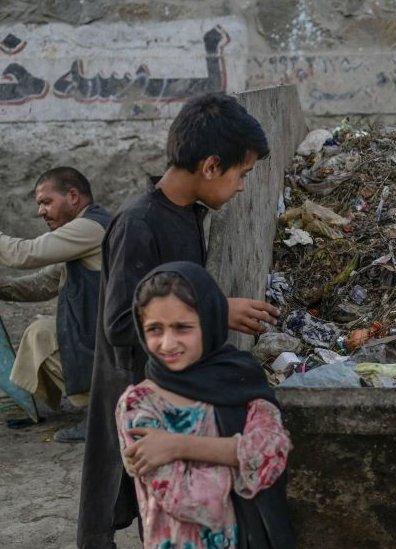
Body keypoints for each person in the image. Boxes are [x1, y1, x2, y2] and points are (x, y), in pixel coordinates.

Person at [78, 92, 281, 548]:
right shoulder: (138, 223)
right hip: (136, 383)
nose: (243, 186)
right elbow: (117, 323)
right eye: (241, 174)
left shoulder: (188, 214)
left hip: (175, 383)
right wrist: (218, 310)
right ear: (211, 167)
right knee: (128, 505)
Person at [117, 262, 294, 548]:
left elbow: (273, 454)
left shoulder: (239, 378)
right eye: (154, 329)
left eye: (183, 327)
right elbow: (192, 500)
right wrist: (243, 455)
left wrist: (178, 446)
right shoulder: (139, 404)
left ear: (210, 320)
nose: (167, 343)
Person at [0, 167, 111, 441]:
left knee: (42, 335)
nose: (41, 211)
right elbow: (43, 283)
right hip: (98, 335)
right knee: (42, 331)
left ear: (73, 196)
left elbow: (27, 254)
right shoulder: (82, 232)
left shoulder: (90, 228)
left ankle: (101, 412)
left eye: (46, 202)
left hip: (107, 345)